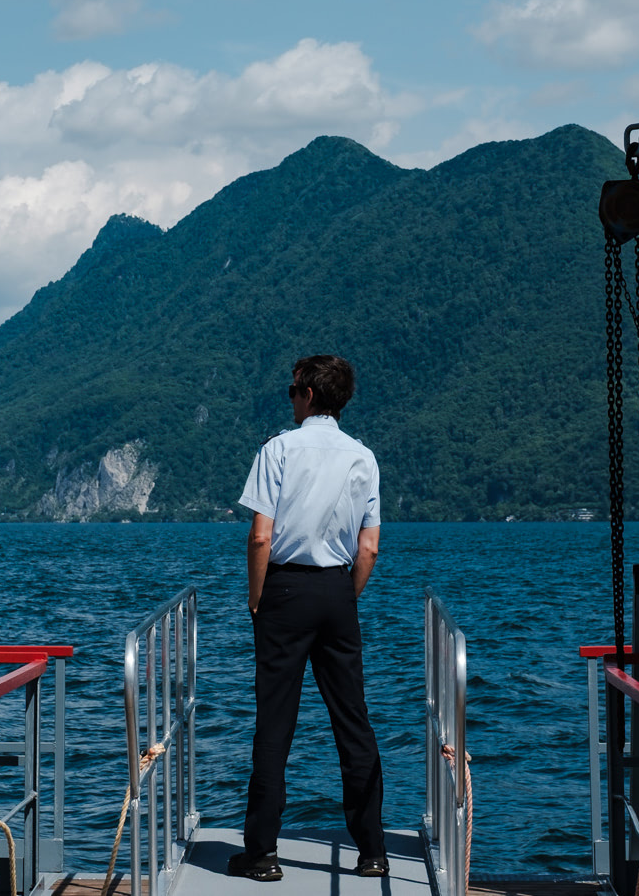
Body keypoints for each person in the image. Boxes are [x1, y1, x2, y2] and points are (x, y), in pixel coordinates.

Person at [228, 354, 386, 882]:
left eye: (293, 389)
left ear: (310, 394)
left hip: (285, 590)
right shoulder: (363, 457)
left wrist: (257, 597)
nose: (290, 397)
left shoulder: (278, 449)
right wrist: (346, 595)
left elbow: (259, 536)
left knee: (275, 723)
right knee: (353, 721)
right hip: (338, 591)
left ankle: (263, 854)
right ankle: (372, 850)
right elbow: (368, 549)